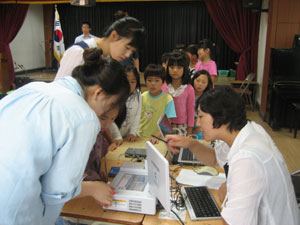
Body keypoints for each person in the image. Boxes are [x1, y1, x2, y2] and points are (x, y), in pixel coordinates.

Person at [0, 48, 130, 225]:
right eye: (106, 112)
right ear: (98, 93)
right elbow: (56, 192)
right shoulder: (84, 116)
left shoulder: (33, 88)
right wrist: (91, 188)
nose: (103, 124)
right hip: (15, 213)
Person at [165, 86, 300, 225]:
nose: (198, 123)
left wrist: (227, 198)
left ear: (222, 117)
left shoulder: (247, 159)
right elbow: (215, 159)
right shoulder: (245, 130)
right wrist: (190, 144)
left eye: (200, 117)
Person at [54, 16, 146, 81]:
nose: (127, 55)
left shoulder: (109, 59)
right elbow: (59, 93)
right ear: (114, 35)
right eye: (127, 48)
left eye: (132, 51)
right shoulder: (78, 52)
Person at [137, 64, 176, 144]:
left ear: (163, 82)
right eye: (149, 80)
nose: (153, 84)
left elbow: (168, 122)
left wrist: (156, 136)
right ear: (145, 81)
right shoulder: (143, 96)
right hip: (140, 136)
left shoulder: (168, 99)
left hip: (158, 139)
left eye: (157, 80)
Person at [161, 51, 195, 137]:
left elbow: (191, 112)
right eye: (172, 67)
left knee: (179, 150)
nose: (175, 70)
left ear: (184, 69)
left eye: (179, 67)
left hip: (182, 127)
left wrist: (190, 132)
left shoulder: (189, 89)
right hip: (165, 126)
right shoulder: (163, 87)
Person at [109, 65, 142, 142]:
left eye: (133, 82)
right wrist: (117, 137)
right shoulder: (114, 95)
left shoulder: (138, 94)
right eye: (126, 81)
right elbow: (110, 119)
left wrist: (132, 133)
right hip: (112, 137)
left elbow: (137, 115)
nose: (129, 85)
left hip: (127, 137)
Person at [191, 69, 213, 139]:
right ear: (193, 80)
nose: (200, 84)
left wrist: (193, 132)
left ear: (207, 84)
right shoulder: (187, 95)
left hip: (199, 128)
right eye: (198, 81)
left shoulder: (208, 99)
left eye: (204, 82)